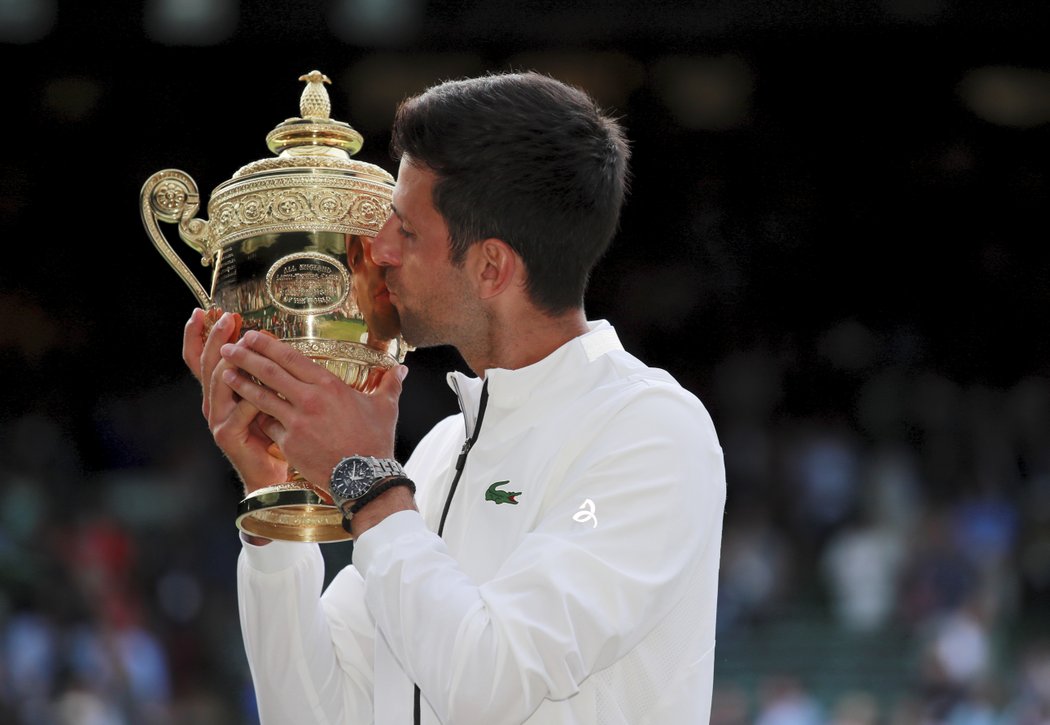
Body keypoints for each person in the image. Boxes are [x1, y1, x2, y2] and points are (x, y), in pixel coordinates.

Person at [182, 71, 726, 725]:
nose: (377, 250)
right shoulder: (440, 454)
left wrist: (366, 481)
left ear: (491, 267)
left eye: (406, 232)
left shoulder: (650, 434)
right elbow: (309, 713)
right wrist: (274, 499)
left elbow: (490, 682)